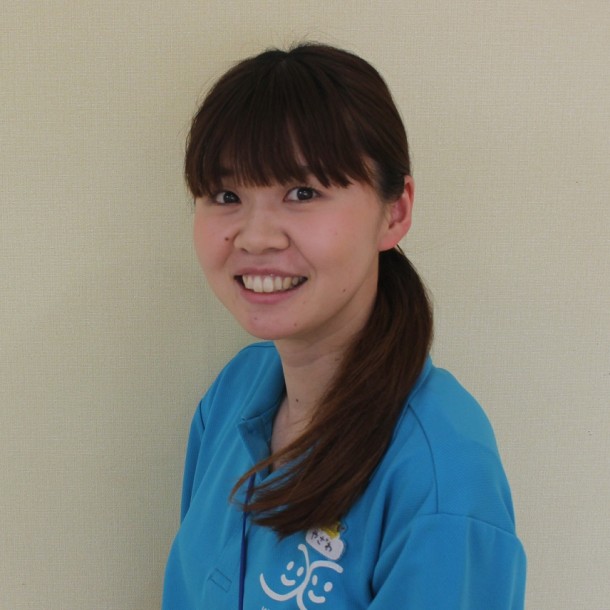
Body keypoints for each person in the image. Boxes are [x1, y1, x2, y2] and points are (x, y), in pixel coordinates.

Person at [163, 43, 526, 609]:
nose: (255, 237)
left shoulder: (443, 475)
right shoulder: (230, 398)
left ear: (394, 212)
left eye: (302, 192)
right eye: (226, 195)